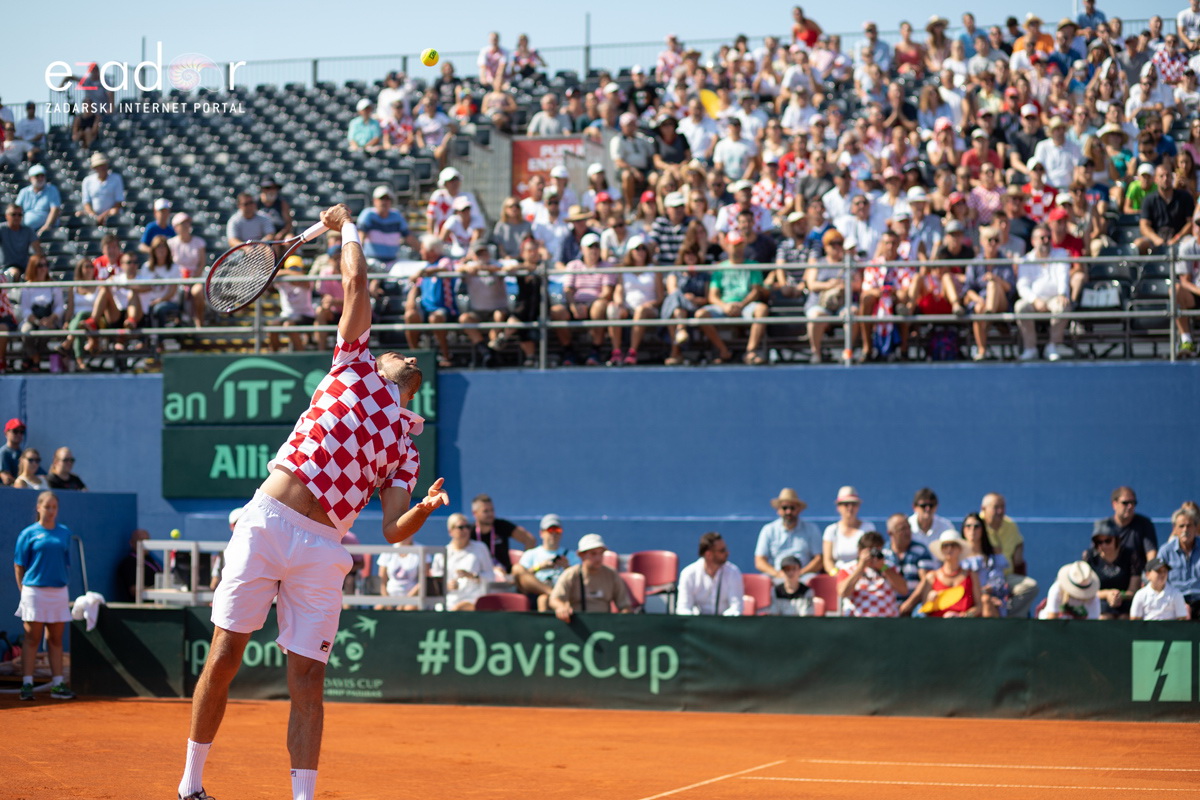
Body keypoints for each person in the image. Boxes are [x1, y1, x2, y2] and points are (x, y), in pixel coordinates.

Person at [176, 204, 449, 800]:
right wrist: (344, 227)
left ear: (411, 379)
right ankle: (190, 785)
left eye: (405, 357)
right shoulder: (353, 365)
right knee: (225, 653)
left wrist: (422, 511)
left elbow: (395, 528)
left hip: (325, 549)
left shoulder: (407, 447)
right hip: (269, 522)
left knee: (309, 679)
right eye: (394, 350)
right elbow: (355, 281)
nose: (399, 354)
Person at [13, 491, 75, 701]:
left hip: (58, 591)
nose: (50, 511)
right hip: (34, 591)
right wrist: (23, 591)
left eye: (54, 507)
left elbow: (65, 562)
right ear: (38, 508)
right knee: (32, 638)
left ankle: (57, 685)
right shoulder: (28, 534)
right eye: (47, 507)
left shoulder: (64, 533)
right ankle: (27, 684)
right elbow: (19, 565)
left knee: (56, 639)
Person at [1015, 224, 1070, 361]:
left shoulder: (1061, 254)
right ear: (1033, 241)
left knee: (1063, 305)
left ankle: (1053, 346)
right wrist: (1035, 300)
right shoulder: (1026, 260)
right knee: (1020, 307)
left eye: (1048, 237)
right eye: (1042, 238)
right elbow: (1022, 286)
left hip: (1054, 298)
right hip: (1034, 300)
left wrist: (1062, 294)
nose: (1046, 240)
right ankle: (1030, 348)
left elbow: (1063, 277)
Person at [549, 533, 634, 621]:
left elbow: (625, 605)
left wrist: (625, 618)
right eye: (593, 554)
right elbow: (554, 599)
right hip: (577, 625)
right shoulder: (570, 574)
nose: (598, 558)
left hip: (605, 627)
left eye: (601, 553)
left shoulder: (611, 574)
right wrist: (561, 607)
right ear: (581, 555)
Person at [901, 529, 984, 617]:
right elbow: (925, 610)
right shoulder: (931, 577)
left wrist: (964, 616)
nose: (949, 548)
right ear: (941, 550)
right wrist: (930, 600)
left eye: (953, 545)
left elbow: (979, 606)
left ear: (960, 549)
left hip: (964, 627)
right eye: (945, 545)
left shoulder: (971, 575)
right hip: (937, 627)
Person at [431, 513, 498, 611]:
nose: (466, 530)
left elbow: (491, 576)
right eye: (461, 527)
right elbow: (436, 584)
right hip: (449, 601)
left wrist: (472, 576)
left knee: (461, 608)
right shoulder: (441, 554)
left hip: (474, 599)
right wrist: (447, 585)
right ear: (451, 531)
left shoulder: (480, 548)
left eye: (468, 527)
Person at [754, 487, 823, 581]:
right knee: (763, 580)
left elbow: (818, 559)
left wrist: (800, 573)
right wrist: (777, 574)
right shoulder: (768, 530)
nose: (788, 511)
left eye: (792, 508)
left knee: (813, 579)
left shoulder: (811, 529)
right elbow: (759, 561)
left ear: (798, 509)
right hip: (777, 577)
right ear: (778, 510)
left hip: (803, 577)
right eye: (785, 507)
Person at [513, 514, 577, 611]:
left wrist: (567, 568)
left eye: (557, 531)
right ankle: (552, 594)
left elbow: (581, 580)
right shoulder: (531, 554)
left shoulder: (571, 555)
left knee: (543, 599)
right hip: (535, 593)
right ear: (541, 533)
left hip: (563, 592)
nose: (554, 534)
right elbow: (520, 577)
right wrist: (540, 567)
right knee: (517, 568)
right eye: (550, 530)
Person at [838, 530, 908, 617]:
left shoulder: (888, 567)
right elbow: (843, 593)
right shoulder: (848, 569)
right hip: (857, 621)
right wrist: (861, 567)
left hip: (887, 621)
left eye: (877, 550)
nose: (872, 555)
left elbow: (903, 590)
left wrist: (883, 568)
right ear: (860, 551)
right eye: (870, 551)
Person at [1092, 486, 1158, 574]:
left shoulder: (1144, 524)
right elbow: (1094, 555)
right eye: (1125, 503)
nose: (1130, 506)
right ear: (1114, 504)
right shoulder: (1104, 526)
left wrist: (1151, 574)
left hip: (1138, 576)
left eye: (1133, 502)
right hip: (1107, 575)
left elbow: (1151, 553)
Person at [676, 532, 744, 616]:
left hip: (725, 626)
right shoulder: (688, 574)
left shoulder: (733, 572)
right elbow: (683, 609)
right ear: (708, 554)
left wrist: (720, 623)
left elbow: (736, 607)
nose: (727, 553)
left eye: (725, 549)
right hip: (697, 626)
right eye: (722, 550)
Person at [469, 493, 536, 575]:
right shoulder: (469, 532)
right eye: (486, 511)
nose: (490, 514)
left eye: (492, 510)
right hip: (481, 576)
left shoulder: (502, 525)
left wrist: (525, 564)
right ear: (474, 513)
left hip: (507, 575)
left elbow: (530, 539)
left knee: (518, 569)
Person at [1083, 527, 1140, 619]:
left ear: (1117, 540)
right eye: (1099, 542)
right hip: (1099, 601)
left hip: (1125, 601)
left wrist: (1120, 595)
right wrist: (1107, 594)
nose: (1104, 545)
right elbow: (1085, 591)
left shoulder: (1130, 556)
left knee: (1124, 617)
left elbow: (1134, 590)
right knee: (1104, 617)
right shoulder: (1089, 557)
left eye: (1108, 541)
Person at [883, 514, 937, 606]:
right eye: (902, 529)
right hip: (888, 603)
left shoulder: (921, 550)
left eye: (908, 527)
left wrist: (909, 604)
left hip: (916, 603)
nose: (907, 532)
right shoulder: (883, 553)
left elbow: (926, 580)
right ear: (890, 533)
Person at [822, 486, 877, 574]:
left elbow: (871, 556)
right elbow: (827, 560)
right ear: (838, 507)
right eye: (846, 504)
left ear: (858, 506)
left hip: (863, 574)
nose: (850, 507)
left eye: (854, 504)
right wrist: (836, 574)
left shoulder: (868, 528)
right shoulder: (831, 530)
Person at [1158, 506, 1200, 618]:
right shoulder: (1165, 551)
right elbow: (1156, 578)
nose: (1185, 530)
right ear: (1175, 529)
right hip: (1173, 600)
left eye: (1189, 526)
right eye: (1181, 526)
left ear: (1196, 527)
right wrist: (1179, 603)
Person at [115, 529, 162, 603]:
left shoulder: (150, 559)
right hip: (139, 608)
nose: (145, 544)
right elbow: (134, 590)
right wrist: (158, 590)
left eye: (147, 540)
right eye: (141, 540)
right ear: (132, 543)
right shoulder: (129, 563)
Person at [80, 152, 125, 226]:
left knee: (114, 211)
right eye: (99, 166)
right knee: (79, 214)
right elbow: (86, 203)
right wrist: (94, 216)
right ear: (94, 168)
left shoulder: (116, 179)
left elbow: (119, 202)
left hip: (111, 214)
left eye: (103, 165)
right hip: (94, 215)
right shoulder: (87, 181)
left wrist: (103, 216)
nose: (102, 168)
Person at [15, 165, 62, 236]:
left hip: (48, 229)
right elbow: (17, 209)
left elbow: (55, 210)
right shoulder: (23, 192)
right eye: (37, 176)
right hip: (27, 230)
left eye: (42, 176)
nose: (40, 178)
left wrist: (47, 226)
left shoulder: (52, 189)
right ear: (30, 178)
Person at [376, 541, 422, 611]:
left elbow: (422, 582)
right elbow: (382, 581)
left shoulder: (420, 551)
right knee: (379, 608)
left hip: (411, 596)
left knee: (409, 608)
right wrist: (386, 600)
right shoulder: (388, 552)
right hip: (390, 594)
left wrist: (404, 602)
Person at [1, 418, 28, 485]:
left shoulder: (23, 453)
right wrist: (27, 483)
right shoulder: (3, 453)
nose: (19, 434)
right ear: (6, 433)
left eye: (21, 432)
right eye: (15, 431)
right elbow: (6, 479)